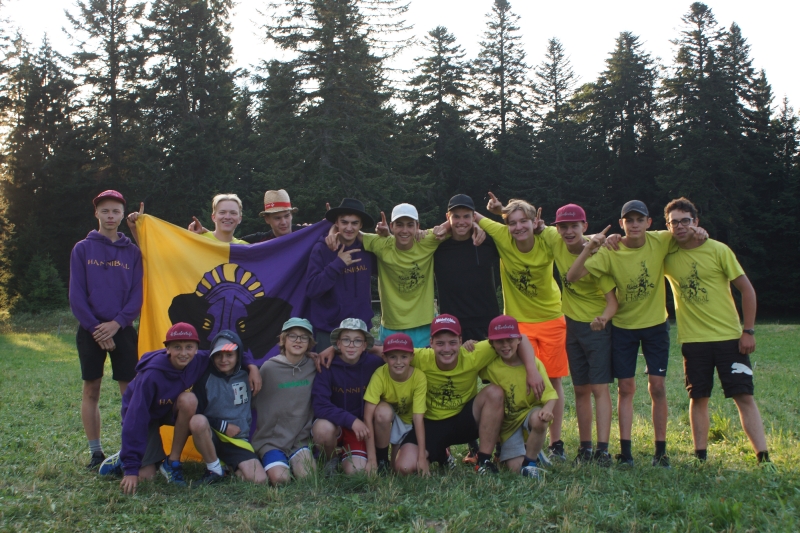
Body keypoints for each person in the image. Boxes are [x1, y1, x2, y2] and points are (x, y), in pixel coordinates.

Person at [567, 199, 704, 467]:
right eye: (629, 221)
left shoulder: (661, 239)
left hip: (656, 326)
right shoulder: (612, 249)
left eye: (640, 220)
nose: (634, 225)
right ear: (621, 224)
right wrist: (591, 247)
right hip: (624, 327)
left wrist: (700, 231)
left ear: (649, 222)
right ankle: (625, 452)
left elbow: (685, 233)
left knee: (658, 387)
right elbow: (572, 276)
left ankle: (660, 452)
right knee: (626, 388)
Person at [662, 197, 775, 470]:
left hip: (729, 339)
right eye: (674, 222)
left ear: (696, 222)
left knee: (743, 396)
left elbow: (747, 290)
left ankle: (764, 458)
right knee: (698, 397)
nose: (680, 226)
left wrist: (748, 331)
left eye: (685, 221)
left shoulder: (718, 250)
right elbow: (637, 239)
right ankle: (700, 457)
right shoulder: (666, 255)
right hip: (693, 341)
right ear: (667, 226)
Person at [98, 323, 261, 495]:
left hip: (169, 409)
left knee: (189, 400)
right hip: (145, 416)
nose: (183, 353)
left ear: (197, 349)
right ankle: (123, 458)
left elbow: (234, 351)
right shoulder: (151, 375)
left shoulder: (200, 360)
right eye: (177, 347)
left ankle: (172, 462)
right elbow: (135, 420)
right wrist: (131, 469)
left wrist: (251, 367)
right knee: (146, 477)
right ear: (167, 348)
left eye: (189, 347)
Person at [475, 194, 569, 461]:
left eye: (523, 221)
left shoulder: (546, 237)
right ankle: (524, 440)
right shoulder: (502, 235)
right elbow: (472, 216)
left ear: (534, 221)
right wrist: (496, 213)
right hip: (518, 323)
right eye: (512, 222)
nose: (518, 227)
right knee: (525, 379)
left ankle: (556, 442)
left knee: (553, 381)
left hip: (551, 318)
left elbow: (574, 239)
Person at [397, 314, 544, 474]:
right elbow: (388, 352)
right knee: (404, 467)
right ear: (431, 343)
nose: (447, 349)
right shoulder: (420, 357)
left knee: (494, 393)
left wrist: (532, 370)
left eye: (452, 342)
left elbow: (520, 338)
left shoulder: (473, 353)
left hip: (465, 419)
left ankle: (483, 460)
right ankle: (440, 454)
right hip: (431, 424)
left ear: (461, 341)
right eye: (440, 343)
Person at [69, 190, 143, 469]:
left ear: (123, 215)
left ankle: (131, 450)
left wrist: (116, 324)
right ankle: (96, 452)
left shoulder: (132, 252)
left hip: (122, 329)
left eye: (115, 211)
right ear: (96, 213)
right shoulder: (82, 249)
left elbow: (137, 294)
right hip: (91, 330)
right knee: (91, 389)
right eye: (105, 211)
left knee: (130, 392)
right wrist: (96, 329)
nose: (110, 216)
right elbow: (76, 295)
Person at [539, 204, 617, 465]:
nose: (568, 231)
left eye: (574, 226)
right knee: (580, 388)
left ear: (585, 226)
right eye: (563, 226)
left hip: (596, 328)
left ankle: (602, 450)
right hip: (571, 326)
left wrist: (603, 319)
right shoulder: (556, 240)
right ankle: (585, 448)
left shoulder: (599, 254)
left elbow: (610, 300)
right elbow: (534, 226)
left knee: (599, 388)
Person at [479, 315, 558, 479]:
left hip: (529, 413)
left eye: (510, 340)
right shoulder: (490, 366)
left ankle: (531, 461)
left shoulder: (534, 365)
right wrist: (469, 345)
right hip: (509, 425)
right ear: (491, 343)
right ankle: (532, 450)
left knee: (539, 420)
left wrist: (547, 410)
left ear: (519, 340)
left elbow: (551, 395)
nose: (505, 345)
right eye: (499, 341)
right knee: (515, 469)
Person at [362, 203, 443, 348]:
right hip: (391, 326)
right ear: (391, 226)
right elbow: (350, 231)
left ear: (417, 226)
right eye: (399, 225)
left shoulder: (426, 240)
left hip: (424, 325)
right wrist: (329, 226)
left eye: (410, 225)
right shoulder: (382, 244)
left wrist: (475, 226)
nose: (405, 230)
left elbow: (458, 223)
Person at [189, 331, 265, 485]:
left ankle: (227, 467)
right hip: (213, 436)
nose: (223, 360)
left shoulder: (248, 374)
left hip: (237, 440)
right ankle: (214, 467)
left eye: (229, 355)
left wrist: (253, 368)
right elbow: (196, 414)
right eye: (218, 355)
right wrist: (223, 426)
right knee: (197, 421)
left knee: (260, 480)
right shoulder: (204, 378)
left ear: (238, 356)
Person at [311, 318, 384, 475]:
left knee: (356, 472)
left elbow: (397, 356)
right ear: (338, 344)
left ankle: (355, 456)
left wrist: (356, 422)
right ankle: (330, 459)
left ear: (365, 345)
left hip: (359, 430)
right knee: (323, 430)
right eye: (346, 340)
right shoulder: (327, 364)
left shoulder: (374, 364)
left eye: (357, 341)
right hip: (334, 425)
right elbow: (320, 405)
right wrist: (351, 420)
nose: (351, 345)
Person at [253, 318, 318, 485]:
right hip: (272, 440)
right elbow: (252, 399)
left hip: (299, 440)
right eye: (292, 336)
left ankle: (294, 461)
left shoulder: (314, 366)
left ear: (309, 343)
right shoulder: (269, 368)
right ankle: (268, 461)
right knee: (281, 479)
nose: (298, 340)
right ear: (283, 340)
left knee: (308, 478)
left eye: (303, 337)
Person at [306, 199, 377, 351]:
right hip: (328, 330)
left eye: (354, 223)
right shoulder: (321, 248)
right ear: (336, 223)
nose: (349, 228)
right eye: (344, 222)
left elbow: (394, 256)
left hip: (361, 329)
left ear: (361, 225)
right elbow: (312, 289)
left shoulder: (369, 249)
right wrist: (337, 264)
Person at [433, 194, 500, 342]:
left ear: (474, 217)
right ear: (448, 217)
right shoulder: (437, 247)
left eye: (466, 216)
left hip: (487, 323)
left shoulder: (487, 242)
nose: (461, 222)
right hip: (453, 326)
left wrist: (500, 212)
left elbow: (510, 235)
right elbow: (415, 240)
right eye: (456, 217)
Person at [363, 333, 429, 476]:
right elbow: (367, 416)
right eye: (393, 357)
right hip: (389, 417)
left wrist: (421, 458)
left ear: (412, 357)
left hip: (408, 422)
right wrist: (371, 458)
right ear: (384, 358)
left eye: (404, 356)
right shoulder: (380, 375)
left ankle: (438, 454)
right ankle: (381, 459)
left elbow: (418, 418)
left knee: (400, 469)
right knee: (382, 413)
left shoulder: (419, 377)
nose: (398, 362)